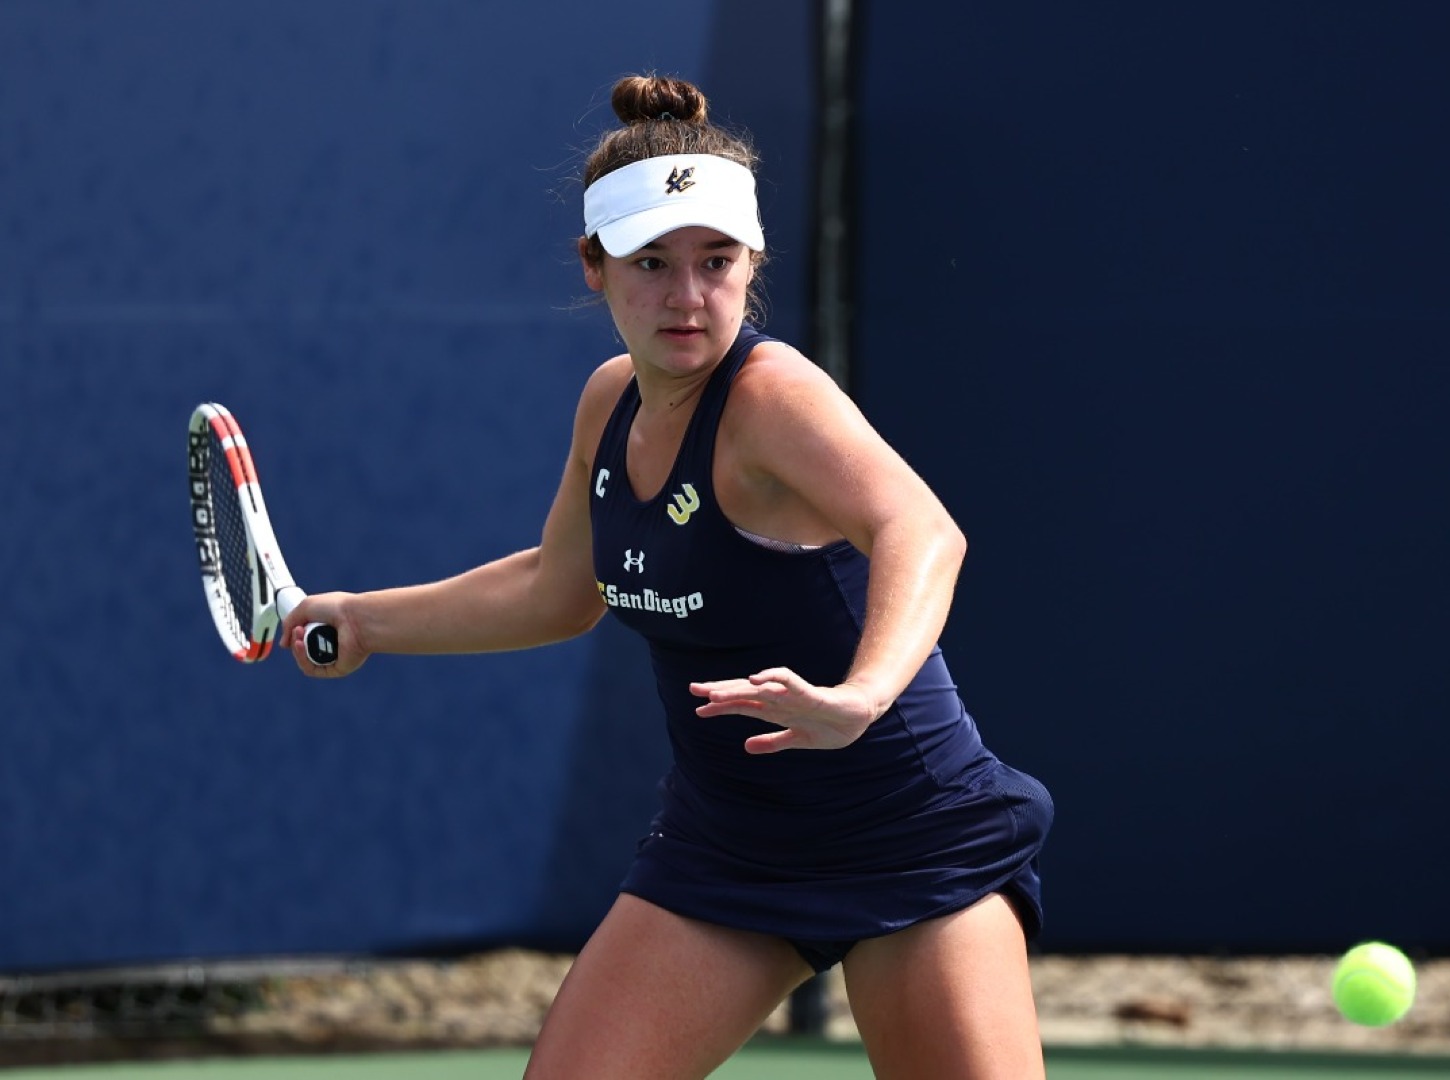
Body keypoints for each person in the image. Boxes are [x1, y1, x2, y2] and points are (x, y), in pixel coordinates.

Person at [282, 73, 1054, 1080]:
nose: (687, 298)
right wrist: (363, 620)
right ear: (594, 268)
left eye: (715, 262)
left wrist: (860, 695)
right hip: (726, 848)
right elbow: (559, 589)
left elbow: (922, 529)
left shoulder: (773, 399)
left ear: (753, 264)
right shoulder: (610, 402)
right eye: (651, 263)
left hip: (908, 835)